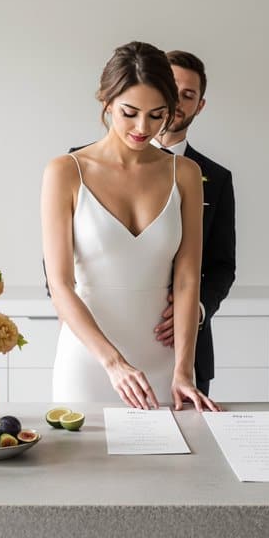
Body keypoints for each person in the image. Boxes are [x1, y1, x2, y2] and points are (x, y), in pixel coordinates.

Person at [41, 41, 220, 412]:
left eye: (157, 115)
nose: (143, 128)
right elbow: (60, 284)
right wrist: (113, 363)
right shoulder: (65, 172)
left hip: (164, 364)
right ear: (107, 102)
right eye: (129, 112)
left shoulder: (185, 173)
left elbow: (188, 280)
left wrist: (184, 370)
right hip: (90, 364)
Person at [151, 51, 236, 397]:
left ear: (200, 105)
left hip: (188, 355)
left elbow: (221, 266)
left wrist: (196, 311)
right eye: (171, 89)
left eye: (188, 94)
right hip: (108, 343)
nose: (177, 100)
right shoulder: (92, 163)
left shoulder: (216, 178)